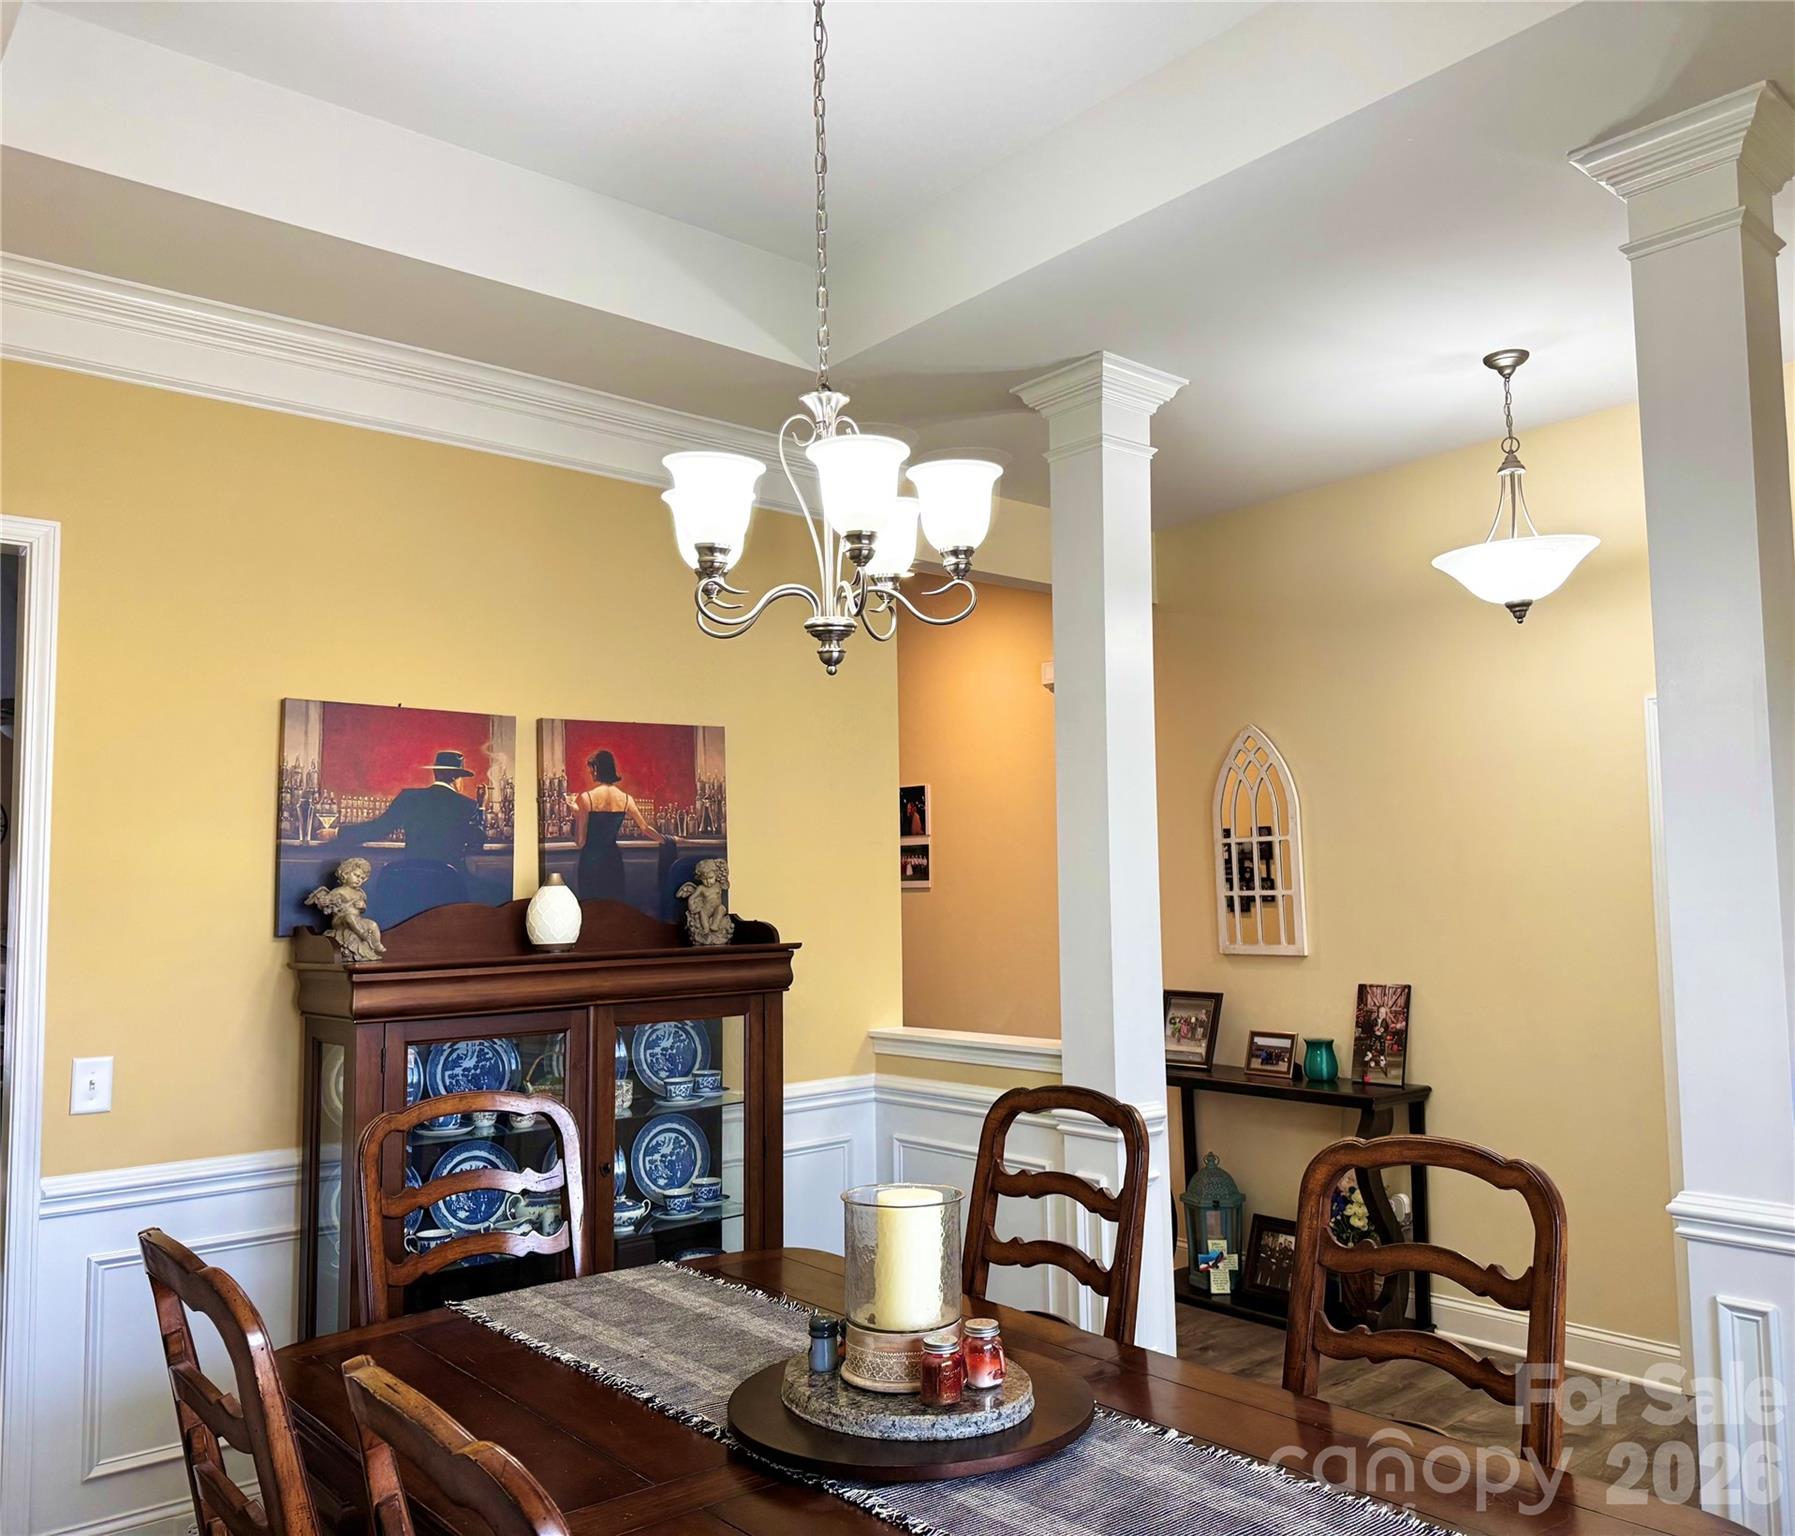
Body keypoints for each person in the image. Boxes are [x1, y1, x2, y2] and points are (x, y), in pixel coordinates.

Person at [568, 749, 661, 902]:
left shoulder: (586, 798)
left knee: (592, 908)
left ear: (597, 769)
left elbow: (580, 842)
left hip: (591, 862)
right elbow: (645, 828)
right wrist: (669, 840)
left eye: (591, 769)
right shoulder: (626, 799)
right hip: (613, 861)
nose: (590, 773)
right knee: (613, 909)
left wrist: (577, 814)